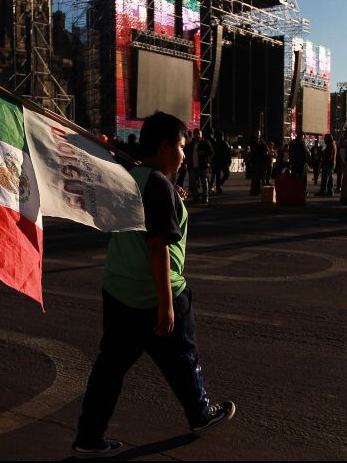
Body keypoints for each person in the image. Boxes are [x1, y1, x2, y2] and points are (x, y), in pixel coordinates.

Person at [72, 111, 236, 459]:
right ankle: (200, 414)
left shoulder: (132, 177)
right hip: (155, 291)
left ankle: (89, 436)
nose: (183, 153)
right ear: (164, 146)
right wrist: (166, 304)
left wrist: (166, 189)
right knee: (183, 356)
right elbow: (157, 245)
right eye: (180, 146)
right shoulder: (156, 184)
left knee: (110, 367)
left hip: (118, 287)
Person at [184, 129, 213, 204]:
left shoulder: (205, 142)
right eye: (196, 134)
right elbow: (186, 153)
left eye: (199, 134)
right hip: (192, 166)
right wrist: (185, 162)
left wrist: (204, 153)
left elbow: (211, 152)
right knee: (193, 183)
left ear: (201, 134)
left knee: (204, 182)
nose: (197, 135)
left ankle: (205, 197)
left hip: (203, 166)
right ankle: (195, 197)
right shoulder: (191, 143)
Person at [248, 130, 267, 195]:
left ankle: (257, 190)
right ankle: (253, 191)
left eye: (258, 134)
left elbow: (265, 148)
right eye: (256, 133)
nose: (258, 135)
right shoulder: (252, 141)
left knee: (259, 177)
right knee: (255, 177)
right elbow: (254, 149)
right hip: (255, 161)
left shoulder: (261, 141)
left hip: (261, 161)